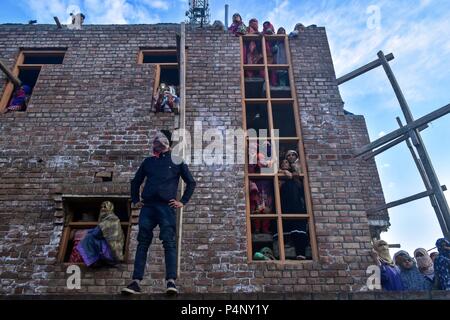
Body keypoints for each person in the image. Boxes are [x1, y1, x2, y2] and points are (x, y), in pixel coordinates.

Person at [122, 131, 196, 295]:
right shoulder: (148, 162)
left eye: (159, 138)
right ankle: (136, 282)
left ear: (166, 142)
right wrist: (135, 200)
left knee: (169, 242)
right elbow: (135, 182)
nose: (155, 141)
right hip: (148, 207)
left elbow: (191, 182)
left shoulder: (177, 160)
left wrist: (182, 202)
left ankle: (171, 282)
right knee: (143, 242)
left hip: (166, 208)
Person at [77, 201, 125, 267]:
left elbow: (96, 234)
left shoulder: (110, 219)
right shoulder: (113, 219)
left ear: (110, 208)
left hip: (111, 251)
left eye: (105, 207)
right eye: (101, 207)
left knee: (89, 238)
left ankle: (94, 259)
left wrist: (89, 232)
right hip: (114, 251)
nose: (102, 209)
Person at [262, 21, 277, 86]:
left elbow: (274, 41)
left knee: (272, 69)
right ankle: (266, 83)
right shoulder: (263, 33)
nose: (265, 26)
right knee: (265, 69)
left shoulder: (274, 34)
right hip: (265, 54)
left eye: (267, 25)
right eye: (264, 25)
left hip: (272, 54)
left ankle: (273, 82)